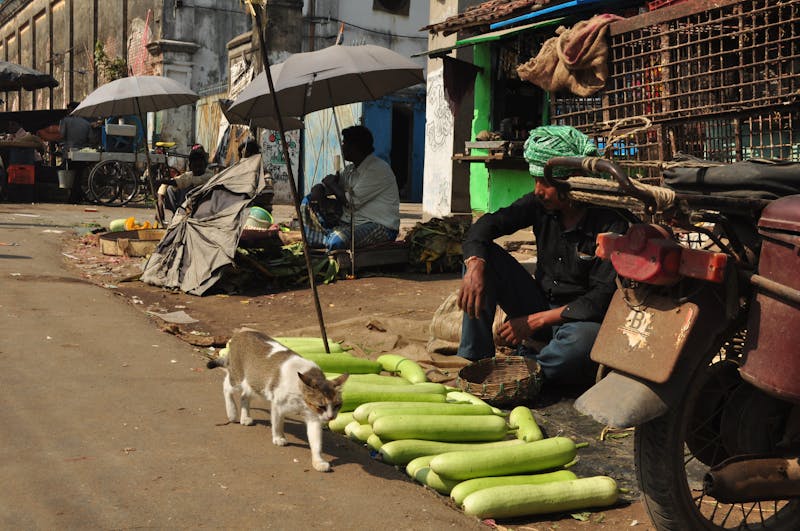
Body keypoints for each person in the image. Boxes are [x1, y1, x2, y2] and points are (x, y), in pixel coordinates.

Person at [457, 125, 629, 388]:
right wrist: (475, 265)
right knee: (482, 257)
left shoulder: (611, 222)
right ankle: (475, 364)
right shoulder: (539, 205)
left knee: (582, 344)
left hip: (578, 321)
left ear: (573, 179)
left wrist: (533, 322)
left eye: (546, 182)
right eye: (535, 180)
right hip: (538, 303)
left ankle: (529, 375)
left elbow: (598, 301)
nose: (538, 190)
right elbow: (484, 227)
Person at [300, 125, 400, 251]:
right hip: (350, 222)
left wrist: (332, 185)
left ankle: (324, 239)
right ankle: (325, 239)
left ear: (355, 146)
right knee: (308, 201)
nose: (342, 147)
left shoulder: (377, 169)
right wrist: (320, 190)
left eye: (344, 143)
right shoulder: (350, 169)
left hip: (379, 226)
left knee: (338, 239)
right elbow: (321, 190)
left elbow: (351, 202)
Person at [157, 145, 214, 218]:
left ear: (205, 165)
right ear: (190, 166)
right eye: (195, 165)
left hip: (205, 205)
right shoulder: (189, 175)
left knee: (187, 189)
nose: (197, 168)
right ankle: (176, 213)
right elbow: (178, 180)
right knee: (170, 189)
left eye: (200, 165)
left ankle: (184, 214)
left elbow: (187, 181)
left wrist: (166, 182)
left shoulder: (209, 175)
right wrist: (161, 189)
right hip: (188, 204)